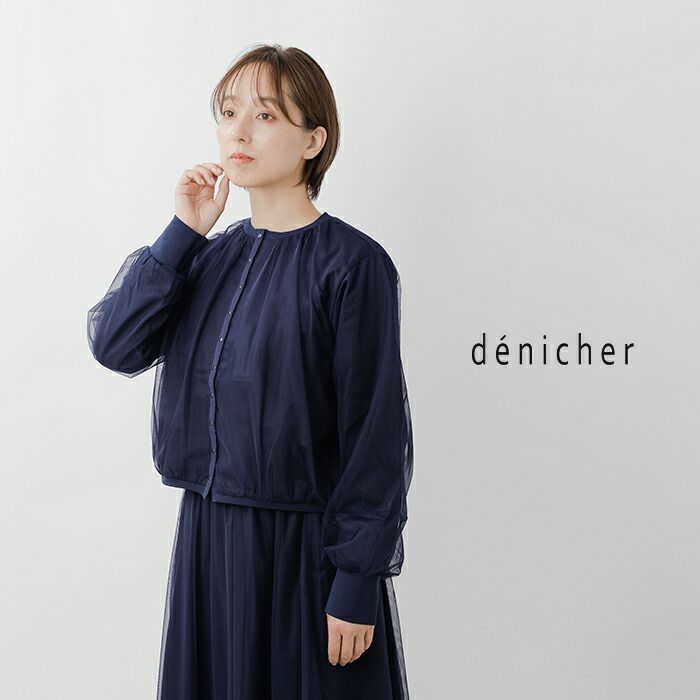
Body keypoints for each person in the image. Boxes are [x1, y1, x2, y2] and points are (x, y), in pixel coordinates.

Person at [87, 43, 414, 699]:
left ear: (313, 140)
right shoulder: (209, 258)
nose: (238, 132)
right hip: (208, 545)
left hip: (303, 555)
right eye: (229, 112)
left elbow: (375, 437)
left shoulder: (353, 266)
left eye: (264, 115)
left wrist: (356, 579)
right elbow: (116, 343)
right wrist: (182, 233)